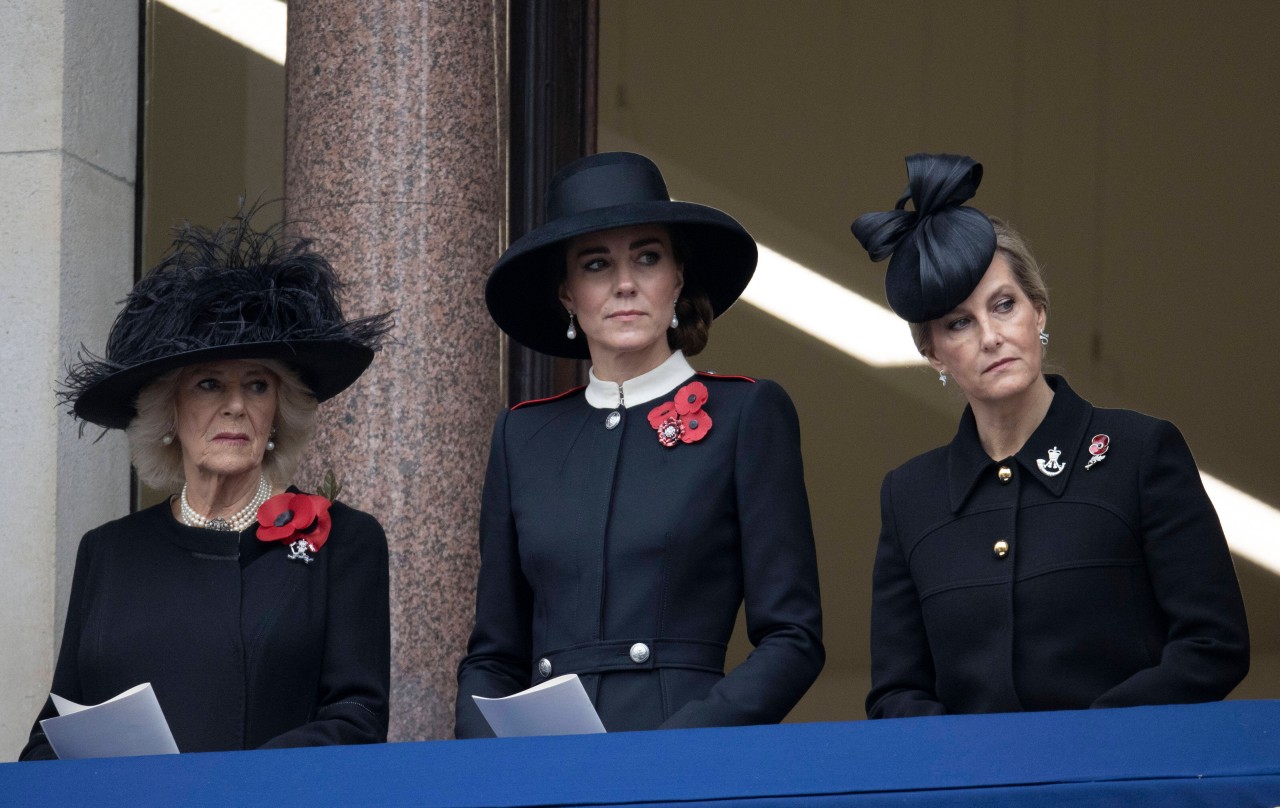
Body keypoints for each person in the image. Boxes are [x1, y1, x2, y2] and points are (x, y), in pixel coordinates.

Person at [851, 153, 1249, 718]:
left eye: (1004, 305)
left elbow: (1214, 645)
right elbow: (895, 692)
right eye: (958, 322)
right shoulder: (909, 496)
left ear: (1038, 313)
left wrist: (1085, 745)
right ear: (932, 351)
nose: (990, 336)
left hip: (1121, 785)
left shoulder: (1140, 452)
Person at [455, 151, 824, 736]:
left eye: (647, 258)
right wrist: (497, 761)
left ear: (678, 276)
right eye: (596, 264)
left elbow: (793, 638)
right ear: (567, 294)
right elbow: (493, 656)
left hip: (684, 765)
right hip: (545, 778)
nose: (625, 284)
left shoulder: (746, 413)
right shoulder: (521, 436)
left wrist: (681, 748)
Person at [20, 210, 394, 758]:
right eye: (209, 384)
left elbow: (357, 719)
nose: (236, 406)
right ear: (168, 413)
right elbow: (53, 733)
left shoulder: (345, 543)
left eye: (258, 385)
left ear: (277, 414)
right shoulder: (108, 552)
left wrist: (227, 788)